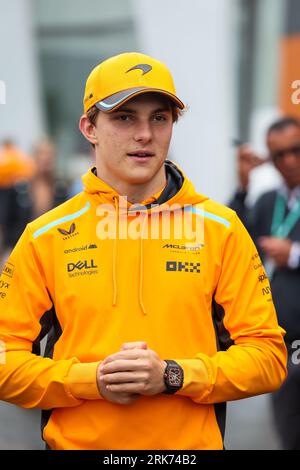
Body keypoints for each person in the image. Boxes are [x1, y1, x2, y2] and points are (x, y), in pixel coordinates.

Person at [0, 52, 287, 450]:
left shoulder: (221, 229)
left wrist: (173, 376)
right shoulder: (44, 236)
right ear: (89, 127)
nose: (145, 134)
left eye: (159, 118)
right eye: (124, 117)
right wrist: (90, 381)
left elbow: (269, 358)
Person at [230, 117, 300, 449]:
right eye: (279, 155)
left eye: (296, 151)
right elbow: (234, 246)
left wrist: (295, 254)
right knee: (289, 429)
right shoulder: (268, 200)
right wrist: (243, 186)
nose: (289, 161)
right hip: (284, 341)